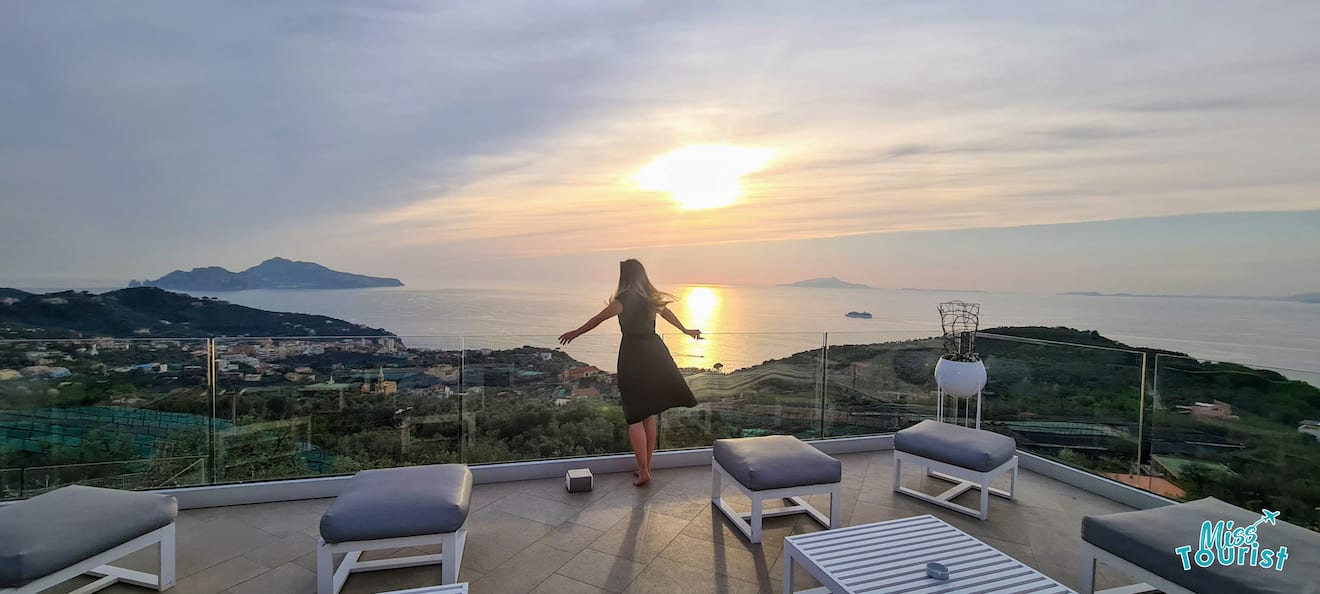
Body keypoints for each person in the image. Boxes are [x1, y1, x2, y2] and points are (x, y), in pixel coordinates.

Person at [558, 259, 700, 486]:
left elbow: (597, 319)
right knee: (648, 413)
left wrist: (576, 332)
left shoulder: (622, 301)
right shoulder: (650, 300)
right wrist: (686, 330)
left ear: (624, 277)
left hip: (634, 354)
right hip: (655, 352)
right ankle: (646, 468)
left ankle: (643, 471)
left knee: (634, 415)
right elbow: (669, 315)